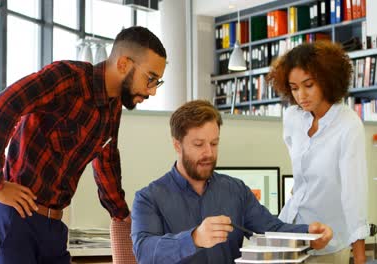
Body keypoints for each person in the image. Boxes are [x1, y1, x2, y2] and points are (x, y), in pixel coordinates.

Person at [0, 26, 167, 263]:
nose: (151, 91)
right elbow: (2, 107)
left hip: (54, 227)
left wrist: (121, 214)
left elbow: (106, 161)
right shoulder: (67, 79)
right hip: (15, 221)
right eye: (150, 78)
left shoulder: (112, 107)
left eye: (157, 82)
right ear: (123, 65)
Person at [131, 100, 333, 264]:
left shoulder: (236, 190)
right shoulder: (149, 198)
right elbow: (144, 252)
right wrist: (194, 239)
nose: (209, 153)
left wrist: (309, 235)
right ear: (177, 145)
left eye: (214, 143)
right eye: (199, 144)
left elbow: (273, 230)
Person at [267, 41, 369, 264]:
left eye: (309, 85)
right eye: (294, 88)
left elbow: (354, 194)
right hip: (290, 232)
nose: (301, 95)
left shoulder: (348, 125)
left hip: (328, 242)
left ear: (326, 79)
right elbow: (300, 169)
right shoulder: (293, 118)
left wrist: (360, 256)